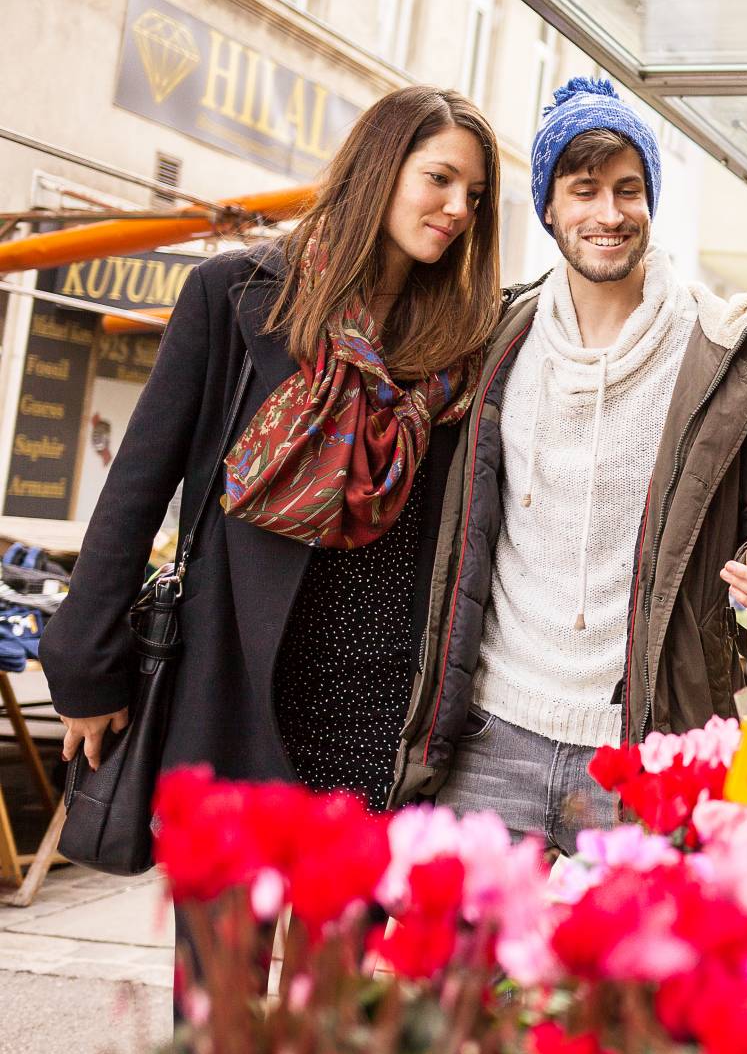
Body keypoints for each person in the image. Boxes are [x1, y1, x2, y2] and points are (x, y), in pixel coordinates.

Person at [44, 86, 501, 809]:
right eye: (439, 179)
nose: (457, 210)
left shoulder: (459, 342)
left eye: (474, 195)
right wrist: (85, 666)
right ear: (380, 168)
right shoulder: (236, 293)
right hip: (235, 670)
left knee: (344, 922)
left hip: (381, 691)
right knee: (231, 924)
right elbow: (137, 485)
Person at [397, 78, 747, 848]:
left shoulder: (726, 350)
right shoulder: (493, 339)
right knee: (460, 968)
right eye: (583, 190)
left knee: (622, 972)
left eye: (630, 190)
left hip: (641, 750)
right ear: (549, 207)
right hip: (491, 741)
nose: (609, 214)